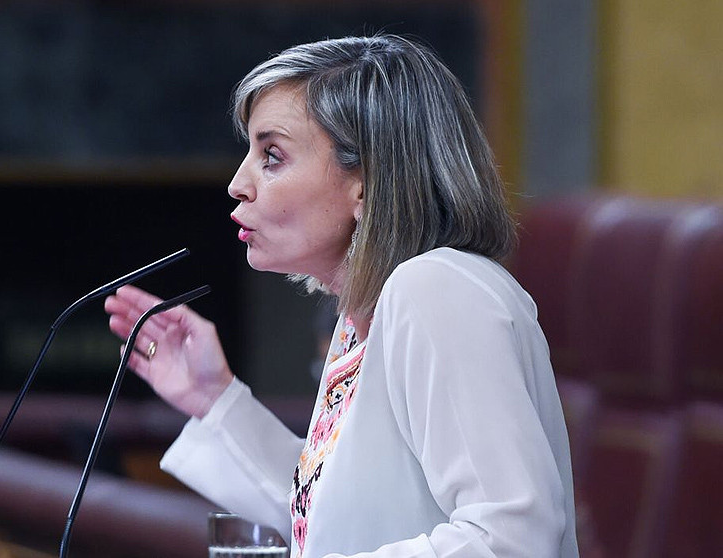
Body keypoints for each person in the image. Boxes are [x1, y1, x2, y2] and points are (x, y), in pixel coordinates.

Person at [104, 35, 578, 558]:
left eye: (272, 156)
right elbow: (331, 519)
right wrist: (214, 399)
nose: (238, 183)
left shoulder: (437, 289)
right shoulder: (366, 314)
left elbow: (511, 538)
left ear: (366, 181)